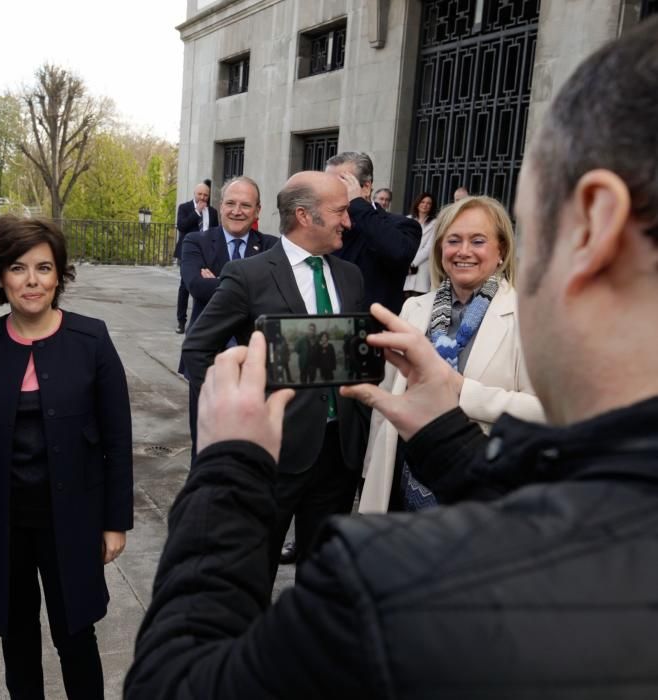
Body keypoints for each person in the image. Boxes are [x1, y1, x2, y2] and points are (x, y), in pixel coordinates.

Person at [125, 21, 658, 698]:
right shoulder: (256, 274)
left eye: (526, 230)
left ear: (596, 227)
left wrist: (223, 473)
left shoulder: (384, 588)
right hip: (290, 452)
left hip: (330, 458)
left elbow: (172, 682)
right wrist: (443, 437)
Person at [0, 215, 133, 699]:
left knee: (76, 634)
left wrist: (115, 522)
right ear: (0, 278)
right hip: (1, 522)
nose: (32, 281)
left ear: (59, 275)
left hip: (71, 518)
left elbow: (118, 438)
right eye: (18, 268)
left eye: (44, 268)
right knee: (17, 636)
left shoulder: (92, 339)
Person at [182, 169, 366, 579]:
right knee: (251, 573)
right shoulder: (250, 275)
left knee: (323, 580)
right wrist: (238, 417)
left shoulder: (350, 276)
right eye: (340, 211)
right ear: (304, 215)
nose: (348, 221)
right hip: (273, 457)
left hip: (339, 454)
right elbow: (198, 350)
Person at [361, 195, 544, 512]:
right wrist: (372, 473)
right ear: (440, 249)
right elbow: (388, 398)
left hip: (486, 490)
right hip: (403, 483)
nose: (463, 251)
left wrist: (459, 389)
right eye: (453, 240)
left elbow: (544, 411)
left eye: (478, 241)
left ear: (501, 250)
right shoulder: (413, 308)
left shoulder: (531, 317)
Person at [325, 152, 421, 315]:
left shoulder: (401, 225)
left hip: (374, 331)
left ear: (366, 187)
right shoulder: (325, 225)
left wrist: (356, 203)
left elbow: (399, 252)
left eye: (341, 185)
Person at [179, 176, 278, 332]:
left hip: (253, 346)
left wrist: (219, 282)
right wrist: (253, 288)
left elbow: (276, 295)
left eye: (245, 205)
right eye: (230, 203)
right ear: (221, 207)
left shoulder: (272, 247)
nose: (236, 211)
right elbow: (197, 286)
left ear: (257, 211)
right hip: (205, 344)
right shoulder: (196, 242)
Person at [174, 181, 218, 333]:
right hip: (188, 253)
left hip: (207, 254)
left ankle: (203, 321)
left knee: (207, 284)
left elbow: (215, 232)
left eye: (206, 195)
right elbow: (182, 226)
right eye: (200, 194)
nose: (203, 197)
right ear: (195, 193)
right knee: (185, 286)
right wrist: (197, 212)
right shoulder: (184, 208)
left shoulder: (212, 212)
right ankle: (181, 321)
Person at [402, 191, 437, 297]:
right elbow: (402, 242)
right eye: (422, 202)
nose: (425, 205)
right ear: (417, 203)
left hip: (422, 267)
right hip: (405, 266)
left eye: (428, 203)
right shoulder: (407, 220)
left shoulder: (435, 223)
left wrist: (412, 263)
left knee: (418, 297)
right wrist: (406, 263)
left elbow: (429, 248)